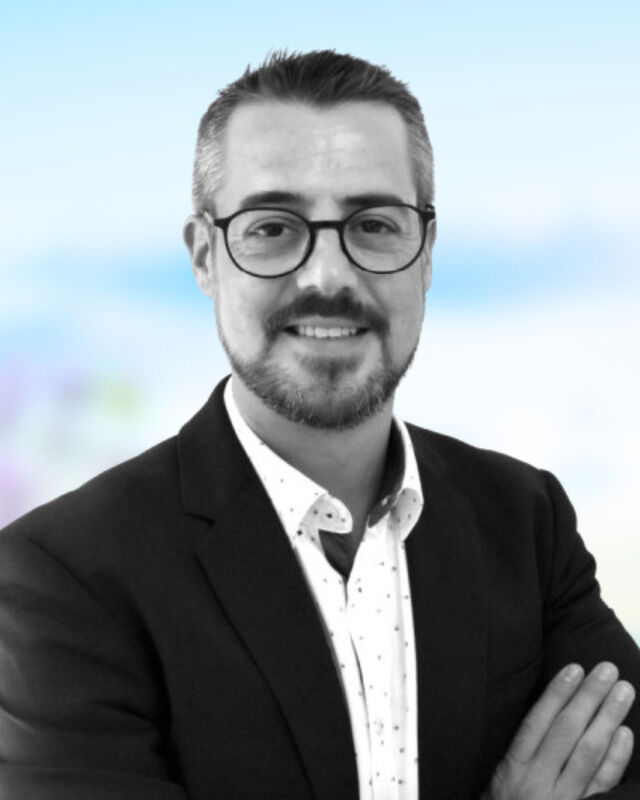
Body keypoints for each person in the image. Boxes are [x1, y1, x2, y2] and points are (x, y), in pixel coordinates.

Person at [0, 50, 638, 800]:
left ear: (426, 254)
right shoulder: (60, 577)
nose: (328, 276)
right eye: (273, 227)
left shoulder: (526, 523)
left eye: (373, 224)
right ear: (205, 257)